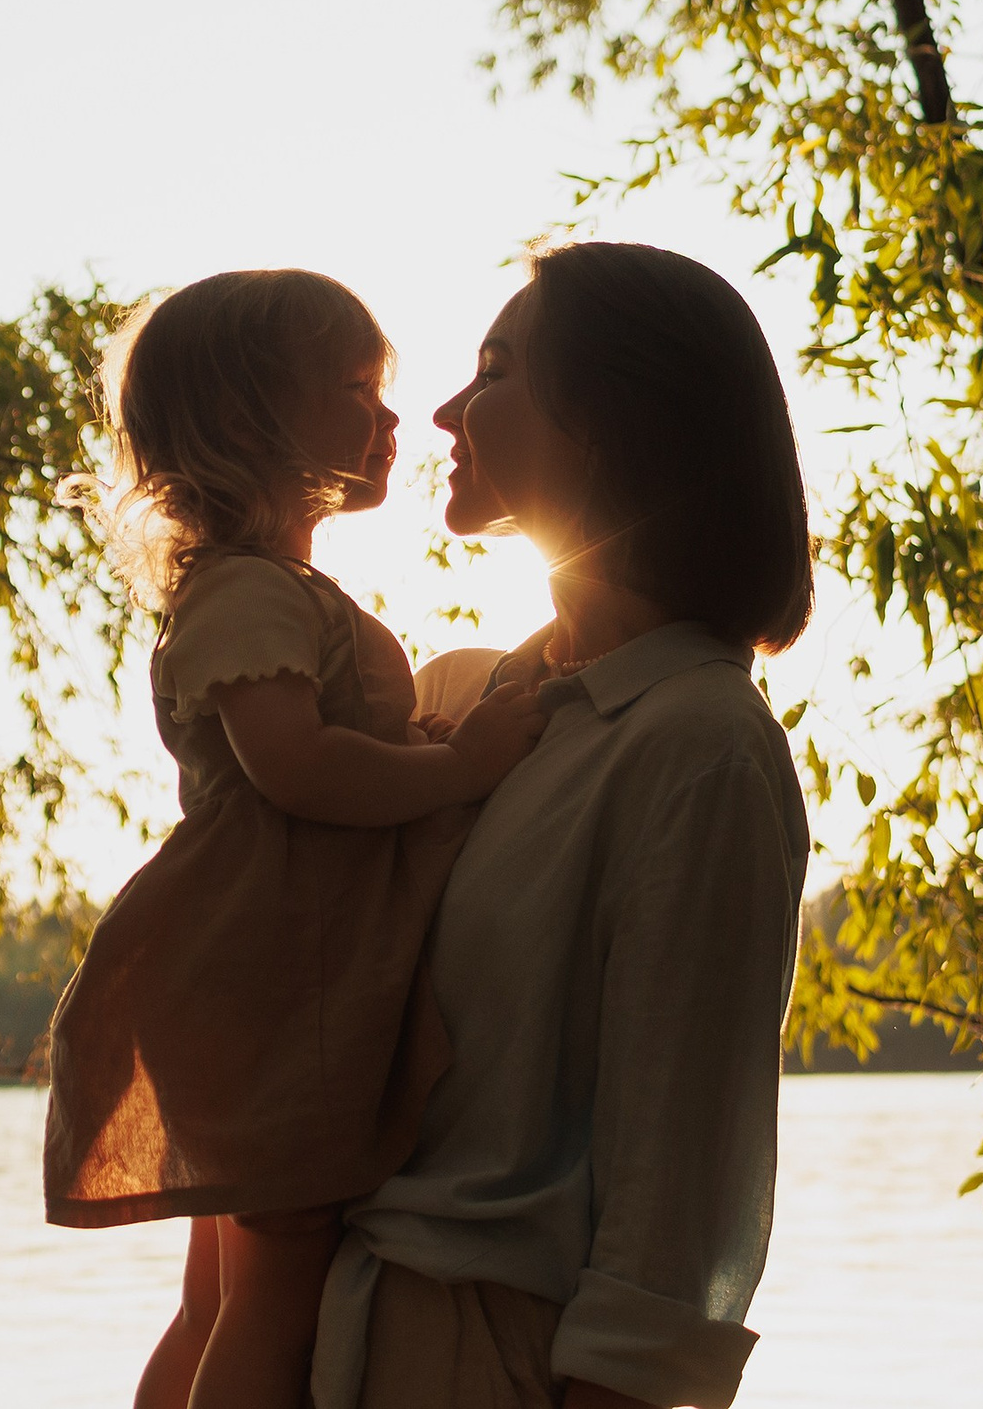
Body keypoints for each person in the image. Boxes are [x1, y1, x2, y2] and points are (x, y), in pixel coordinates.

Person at [311, 240, 816, 1409]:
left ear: (606, 420)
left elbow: (675, 1204)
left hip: (492, 1364)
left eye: (493, 371)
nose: (443, 409)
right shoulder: (475, 708)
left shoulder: (696, 744)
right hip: (348, 1335)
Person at [43, 268, 549, 1409]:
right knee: (275, 1304)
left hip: (260, 973)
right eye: (356, 389)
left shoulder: (266, 590)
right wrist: (459, 766)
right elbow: (297, 766)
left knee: (223, 1299)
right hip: (274, 979)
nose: (389, 420)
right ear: (250, 422)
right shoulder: (246, 594)